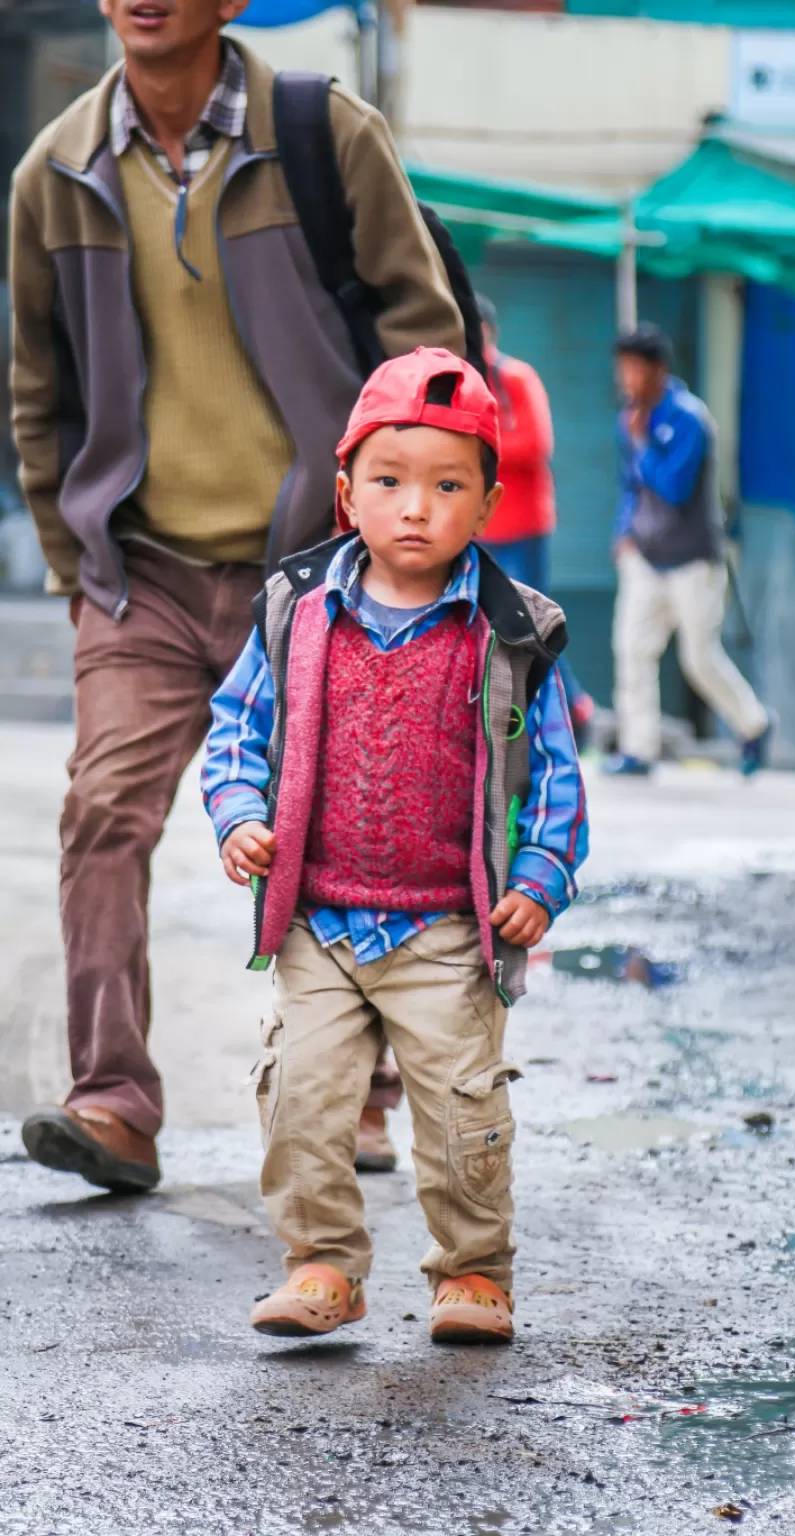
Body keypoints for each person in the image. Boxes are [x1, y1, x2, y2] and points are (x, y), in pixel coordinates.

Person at [10, 0, 465, 1193]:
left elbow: (426, 346)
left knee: (341, 824)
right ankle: (111, 1101)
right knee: (103, 813)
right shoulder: (55, 175)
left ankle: (356, 1085)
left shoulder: (321, 136)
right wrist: (80, 570)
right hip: (142, 572)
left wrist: (391, 544)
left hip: (318, 568)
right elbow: (39, 393)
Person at [202, 348, 588, 1344]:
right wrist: (240, 813)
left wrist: (541, 875)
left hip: (448, 931)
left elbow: (551, 771)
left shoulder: (509, 631)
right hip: (319, 924)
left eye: (447, 485)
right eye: (389, 482)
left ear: (488, 503)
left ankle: (472, 1272)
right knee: (302, 1097)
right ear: (346, 493)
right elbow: (236, 727)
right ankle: (322, 1263)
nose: (415, 506)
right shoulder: (298, 612)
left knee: (462, 1115)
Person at [604, 324, 772, 778]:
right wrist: (623, 532)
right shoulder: (631, 418)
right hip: (645, 556)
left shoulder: (688, 419)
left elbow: (674, 487)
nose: (626, 379)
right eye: (622, 369)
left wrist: (642, 443)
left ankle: (753, 725)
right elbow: (631, 487)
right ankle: (639, 748)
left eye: (633, 369)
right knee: (633, 649)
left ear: (658, 370)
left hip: (693, 559)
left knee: (699, 658)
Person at [475, 295, 593, 738]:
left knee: (536, 624)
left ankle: (573, 712)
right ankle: (545, 713)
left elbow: (537, 443)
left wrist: (485, 444)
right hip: (483, 528)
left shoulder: (516, 378)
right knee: (492, 628)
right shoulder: (462, 380)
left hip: (523, 526)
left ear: (487, 331)